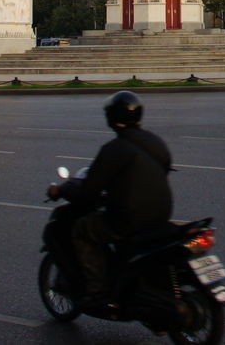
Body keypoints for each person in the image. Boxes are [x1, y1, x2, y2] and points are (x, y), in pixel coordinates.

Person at [49, 91, 173, 312]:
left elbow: (88, 190)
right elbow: (161, 170)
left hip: (129, 219)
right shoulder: (155, 142)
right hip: (161, 215)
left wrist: (61, 190)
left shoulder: (114, 149)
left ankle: (97, 291)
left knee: (82, 230)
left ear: (111, 117)